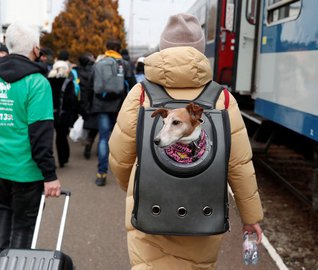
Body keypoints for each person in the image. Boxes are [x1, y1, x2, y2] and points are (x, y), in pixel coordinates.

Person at [108, 13, 263, 269]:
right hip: (204, 209)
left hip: (150, 210)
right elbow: (239, 165)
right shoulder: (222, 98)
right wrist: (251, 217)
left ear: (163, 48)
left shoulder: (141, 93)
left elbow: (119, 157)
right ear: (201, 52)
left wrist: (137, 188)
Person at [0, 21, 61, 252]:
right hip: (25, 172)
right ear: (36, 49)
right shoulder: (37, 83)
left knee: (3, 221)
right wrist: (50, 175)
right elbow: (40, 135)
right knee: (24, 229)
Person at [88, 39, 136, 186]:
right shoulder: (125, 64)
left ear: (106, 48)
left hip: (101, 105)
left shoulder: (98, 64)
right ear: (119, 49)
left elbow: (91, 85)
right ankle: (122, 172)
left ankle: (101, 173)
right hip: (120, 106)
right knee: (122, 138)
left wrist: (89, 106)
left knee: (103, 138)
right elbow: (133, 86)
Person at [47, 60, 79, 168]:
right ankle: (62, 159)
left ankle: (49, 161)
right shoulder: (67, 82)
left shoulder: (47, 80)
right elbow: (71, 100)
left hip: (48, 114)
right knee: (61, 137)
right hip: (63, 115)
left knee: (48, 138)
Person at [76, 52, 98, 159]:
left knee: (88, 124)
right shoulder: (94, 70)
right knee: (97, 127)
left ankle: (88, 141)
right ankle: (95, 145)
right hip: (94, 101)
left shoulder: (77, 71)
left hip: (82, 101)